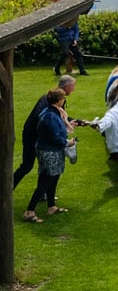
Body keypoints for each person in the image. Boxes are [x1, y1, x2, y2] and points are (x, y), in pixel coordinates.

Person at [14, 74, 80, 189]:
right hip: (33, 136)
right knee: (27, 166)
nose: (74, 89)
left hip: (41, 137)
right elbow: (44, 118)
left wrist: (78, 122)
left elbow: (59, 117)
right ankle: (7, 188)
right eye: (73, 86)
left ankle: (43, 194)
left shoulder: (56, 99)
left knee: (46, 168)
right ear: (67, 86)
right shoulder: (50, 100)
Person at [22, 87, 74, 222]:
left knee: (54, 177)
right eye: (63, 98)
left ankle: (52, 206)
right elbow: (54, 136)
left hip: (51, 149)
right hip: (49, 151)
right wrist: (68, 142)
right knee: (46, 180)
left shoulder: (53, 112)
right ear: (58, 101)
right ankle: (29, 211)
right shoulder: (50, 116)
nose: (64, 100)